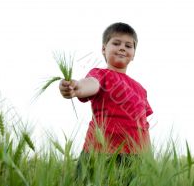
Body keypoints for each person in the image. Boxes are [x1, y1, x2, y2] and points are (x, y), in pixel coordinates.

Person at [59, 22, 153, 183]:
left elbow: (143, 126)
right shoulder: (100, 74)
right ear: (104, 49)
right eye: (116, 43)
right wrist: (76, 88)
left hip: (134, 158)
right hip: (99, 152)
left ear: (134, 53)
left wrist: (149, 158)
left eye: (128, 45)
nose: (122, 48)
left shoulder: (141, 89)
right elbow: (91, 84)